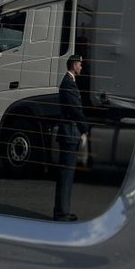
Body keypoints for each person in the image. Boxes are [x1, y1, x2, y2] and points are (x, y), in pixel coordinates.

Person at [53, 54, 88, 221]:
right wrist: (84, 128)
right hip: (69, 133)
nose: (81, 67)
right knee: (66, 175)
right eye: (80, 64)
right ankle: (61, 213)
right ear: (74, 65)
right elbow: (75, 109)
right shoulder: (68, 83)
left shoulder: (70, 82)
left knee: (66, 175)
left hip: (69, 133)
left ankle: (63, 211)